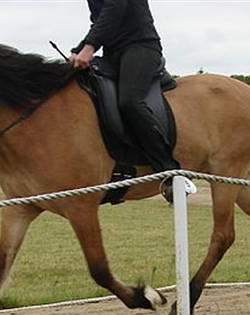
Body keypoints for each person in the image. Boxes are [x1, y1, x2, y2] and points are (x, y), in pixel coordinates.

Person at [70, 0, 180, 195]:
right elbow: (99, 21)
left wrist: (89, 47)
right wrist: (79, 49)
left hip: (142, 46)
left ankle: (169, 169)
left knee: (129, 101)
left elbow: (115, 9)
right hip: (113, 53)